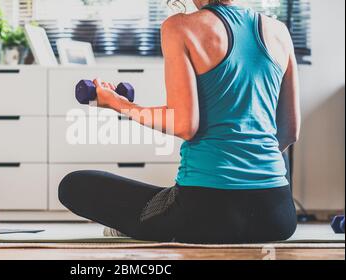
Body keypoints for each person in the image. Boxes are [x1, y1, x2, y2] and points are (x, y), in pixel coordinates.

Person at [58, 0, 301, 244]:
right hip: (277, 217)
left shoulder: (180, 27)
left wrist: (118, 103)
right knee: (171, 197)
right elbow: (289, 132)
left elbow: (185, 124)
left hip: (204, 215)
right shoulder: (279, 31)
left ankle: (136, 226)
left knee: (73, 185)